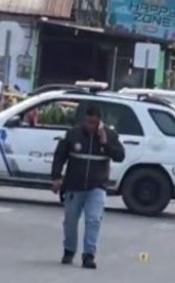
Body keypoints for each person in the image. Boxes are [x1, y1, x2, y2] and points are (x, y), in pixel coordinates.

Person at [50, 105, 125, 270]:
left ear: (99, 122)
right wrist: (56, 177)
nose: (89, 125)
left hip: (97, 186)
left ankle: (89, 255)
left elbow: (120, 156)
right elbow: (60, 155)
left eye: (93, 122)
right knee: (70, 221)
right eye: (87, 121)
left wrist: (105, 144)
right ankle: (69, 250)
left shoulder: (109, 136)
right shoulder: (73, 134)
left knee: (93, 220)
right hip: (74, 186)